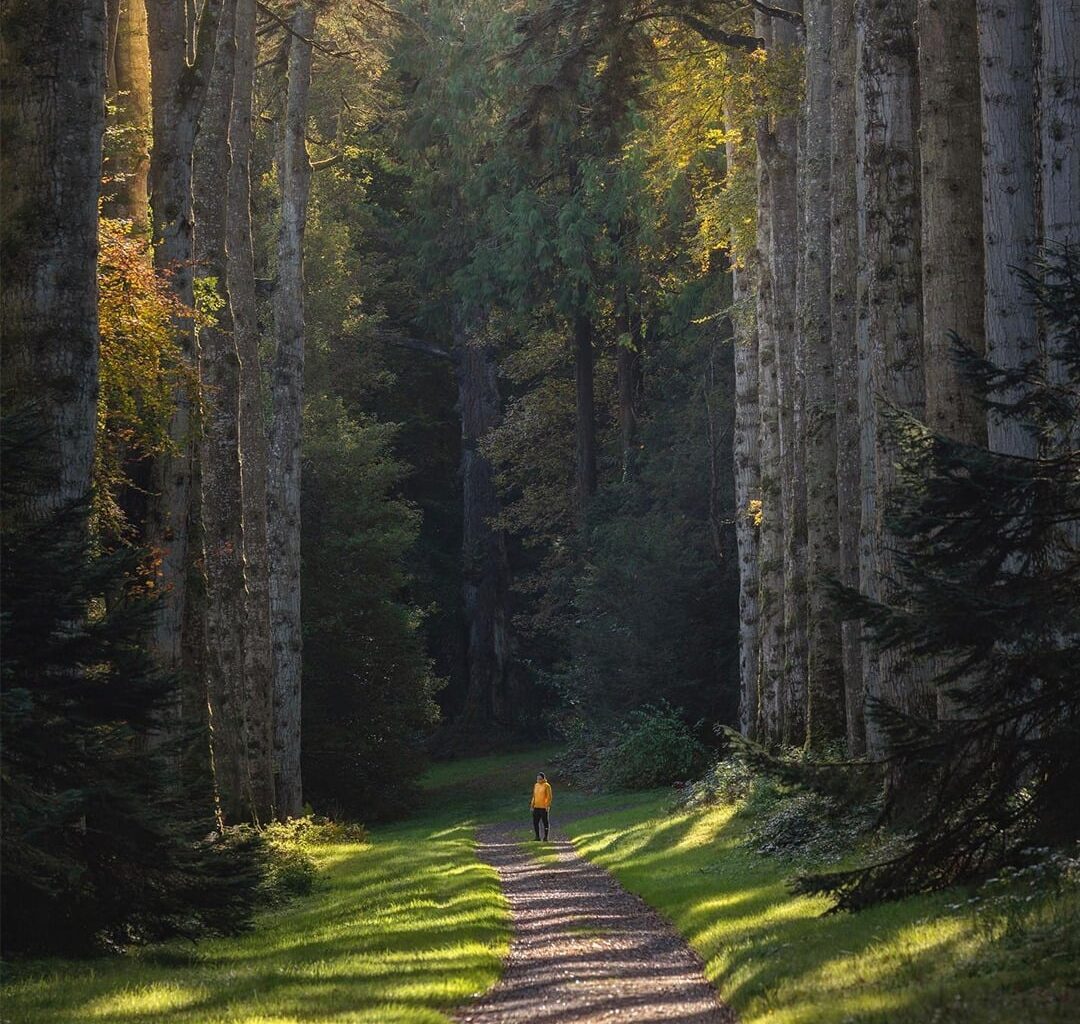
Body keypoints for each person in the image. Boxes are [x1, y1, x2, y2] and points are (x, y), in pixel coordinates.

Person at [530, 772, 552, 840]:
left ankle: (546, 837)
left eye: (540, 779)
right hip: (536, 807)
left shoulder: (547, 785)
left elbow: (549, 797)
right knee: (535, 822)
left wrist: (547, 806)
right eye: (537, 779)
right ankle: (537, 837)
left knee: (545, 822)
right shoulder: (536, 785)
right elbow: (534, 796)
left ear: (543, 778)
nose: (538, 780)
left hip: (543, 807)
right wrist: (532, 805)